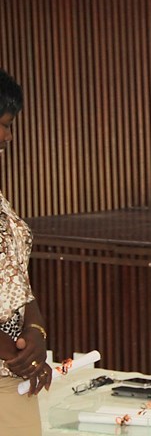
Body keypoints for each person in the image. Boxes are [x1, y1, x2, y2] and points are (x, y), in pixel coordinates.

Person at [0, 69, 53, 435]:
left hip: (11, 373)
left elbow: (17, 276)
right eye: (4, 125)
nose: (8, 136)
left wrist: (35, 331)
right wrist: (17, 354)